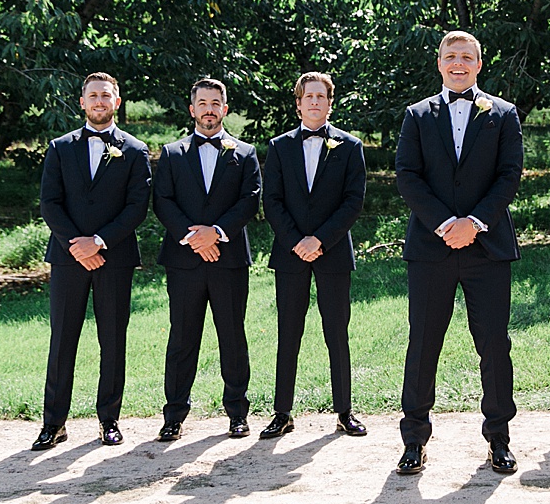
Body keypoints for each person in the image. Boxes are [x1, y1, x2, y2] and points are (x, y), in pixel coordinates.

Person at [394, 31, 524, 475]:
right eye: (451, 56)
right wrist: (446, 224)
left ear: (479, 64)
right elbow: (408, 176)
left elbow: (509, 176)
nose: (459, 63)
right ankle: (414, 439)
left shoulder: (503, 114)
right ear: (439, 62)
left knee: (493, 345)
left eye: (467, 57)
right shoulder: (417, 115)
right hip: (432, 248)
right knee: (423, 344)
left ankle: (499, 438)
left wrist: (474, 223)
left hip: (487, 248)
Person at [33, 72, 152, 451]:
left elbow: (137, 206)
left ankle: (109, 420)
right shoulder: (59, 147)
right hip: (68, 258)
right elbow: (50, 202)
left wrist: (99, 242)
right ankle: (54, 423)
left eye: (106, 96)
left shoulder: (134, 150)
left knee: (113, 339)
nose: (99, 101)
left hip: (113, 257)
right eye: (93, 96)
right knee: (62, 339)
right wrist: (76, 244)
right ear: (82, 102)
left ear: (117, 102)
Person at [152, 78, 261, 442]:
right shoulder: (170, 153)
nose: (209, 109)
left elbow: (249, 200)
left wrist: (214, 233)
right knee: (182, 338)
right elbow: (163, 201)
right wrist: (193, 238)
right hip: (184, 262)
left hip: (227, 259)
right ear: (192, 108)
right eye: (203, 103)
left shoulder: (244, 153)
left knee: (232, 336)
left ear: (225, 109)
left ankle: (237, 414)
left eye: (216, 103)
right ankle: (174, 415)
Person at [260, 72, 368, 439]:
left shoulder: (350, 147)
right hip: (290, 254)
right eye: (309, 97)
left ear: (330, 102)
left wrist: (319, 240)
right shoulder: (279, 147)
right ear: (298, 103)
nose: (315, 103)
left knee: (336, 331)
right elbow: (271, 200)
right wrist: (296, 241)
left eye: (321, 97)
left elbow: (353, 201)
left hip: (333, 252)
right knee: (288, 332)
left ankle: (344, 411)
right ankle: (282, 412)